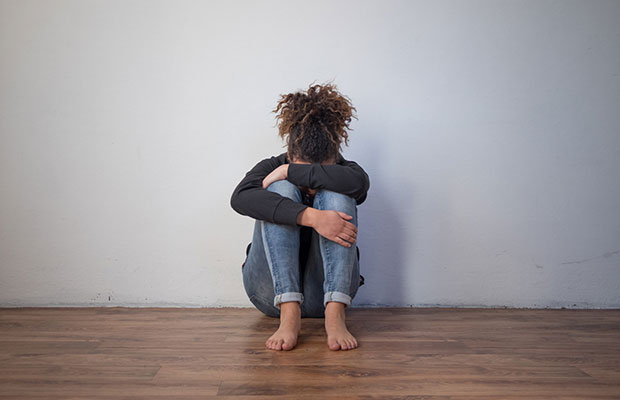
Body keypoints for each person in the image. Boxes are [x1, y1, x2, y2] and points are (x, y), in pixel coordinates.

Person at [230, 82, 370, 351]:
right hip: (269, 294)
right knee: (278, 190)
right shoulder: (271, 166)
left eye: (318, 174)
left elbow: (360, 184)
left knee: (338, 191)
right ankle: (289, 312)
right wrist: (313, 217)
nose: (310, 185)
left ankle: (335, 314)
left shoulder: (347, 171)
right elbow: (240, 198)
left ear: (335, 158)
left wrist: (291, 172)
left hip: (327, 294)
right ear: (290, 155)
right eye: (298, 168)